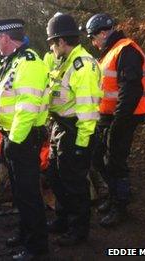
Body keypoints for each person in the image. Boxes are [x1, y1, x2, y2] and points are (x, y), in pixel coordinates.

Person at [0, 18, 50, 260]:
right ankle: (26, 234)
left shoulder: (29, 63)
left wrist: (14, 141)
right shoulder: (14, 61)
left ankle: (36, 247)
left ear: (5, 38)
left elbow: (27, 108)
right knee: (20, 193)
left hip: (22, 139)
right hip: (13, 137)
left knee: (29, 195)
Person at [85, 13, 145, 227]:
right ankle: (114, 197)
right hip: (109, 116)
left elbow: (130, 91)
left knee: (115, 162)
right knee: (97, 157)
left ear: (103, 33)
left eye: (93, 37)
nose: (93, 42)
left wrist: (118, 124)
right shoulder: (110, 52)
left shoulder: (126, 50)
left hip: (123, 118)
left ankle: (120, 206)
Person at [45, 13, 102, 246]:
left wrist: (82, 144)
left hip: (76, 130)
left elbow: (88, 109)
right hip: (60, 127)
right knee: (55, 177)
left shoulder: (83, 65)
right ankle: (63, 218)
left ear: (61, 41)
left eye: (51, 42)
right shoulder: (65, 60)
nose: (50, 47)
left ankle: (79, 230)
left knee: (75, 183)